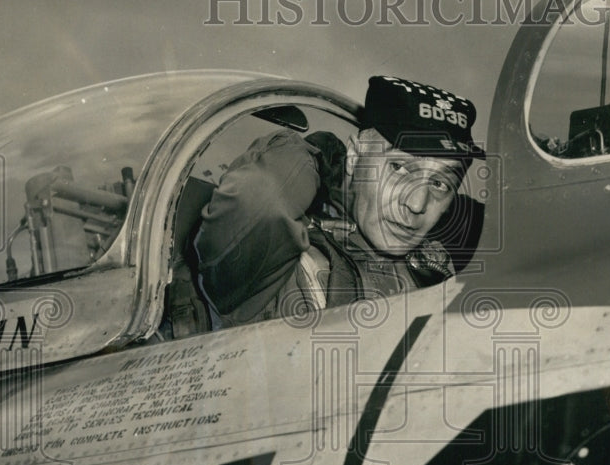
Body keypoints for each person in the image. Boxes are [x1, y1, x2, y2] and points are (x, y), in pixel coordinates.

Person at [193, 75, 485, 327]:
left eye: (439, 183)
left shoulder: (436, 265)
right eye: (399, 168)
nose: (418, 203)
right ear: (355, 157)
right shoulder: (274, 255)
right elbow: (260, 201)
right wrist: (311, 156)